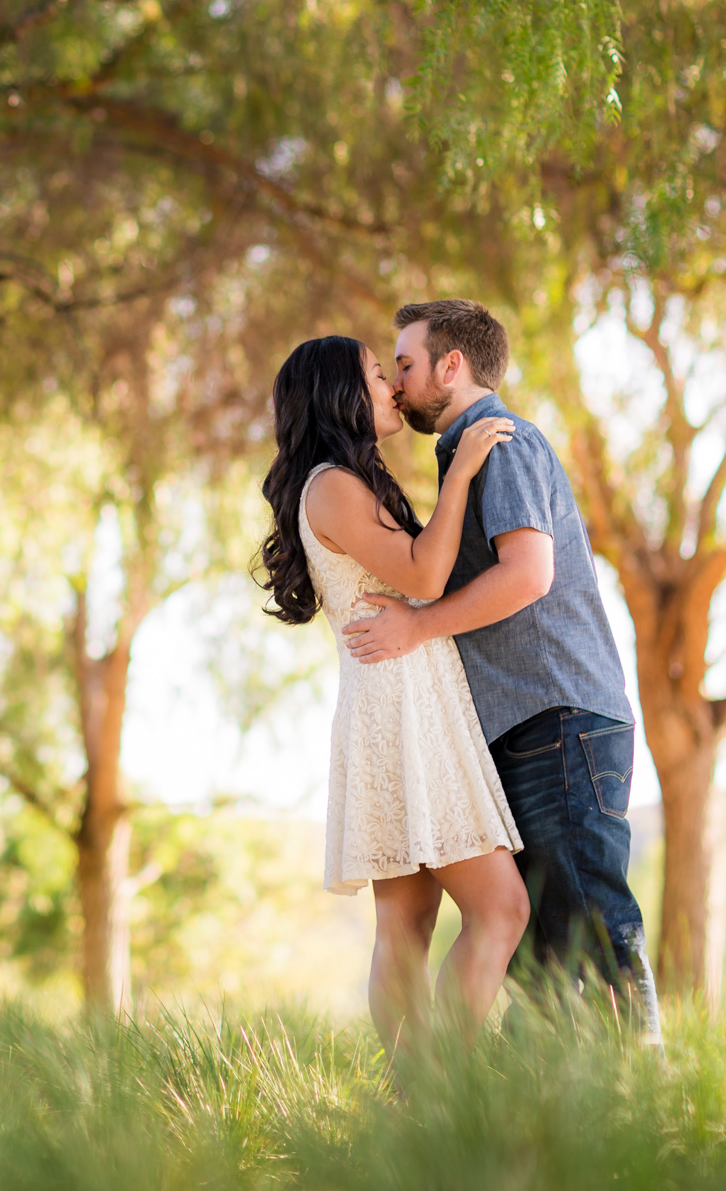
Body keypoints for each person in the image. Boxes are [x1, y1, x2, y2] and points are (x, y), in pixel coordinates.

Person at [343, 299, 663, 1046]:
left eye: (408, 363)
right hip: (525, 728)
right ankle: (561, 1118)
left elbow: (529, 574)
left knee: (592, 923)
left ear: (452, 366)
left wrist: (417, 624)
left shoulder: (504, 443)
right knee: (544, 955)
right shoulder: (464, 454)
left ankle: (650, 1101)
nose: (396, 380)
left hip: (559, 720)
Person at [257, 334, 527, 1061]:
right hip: (402, 709)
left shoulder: (340, 482)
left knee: (406, 929)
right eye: (380, 375)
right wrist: (464, 468)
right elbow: (426, 574)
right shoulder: (333, 487)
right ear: (342, 394)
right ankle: (440, 1083)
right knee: (501, 907)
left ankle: (414, 1104)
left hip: (399, 700)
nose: (394, 388)